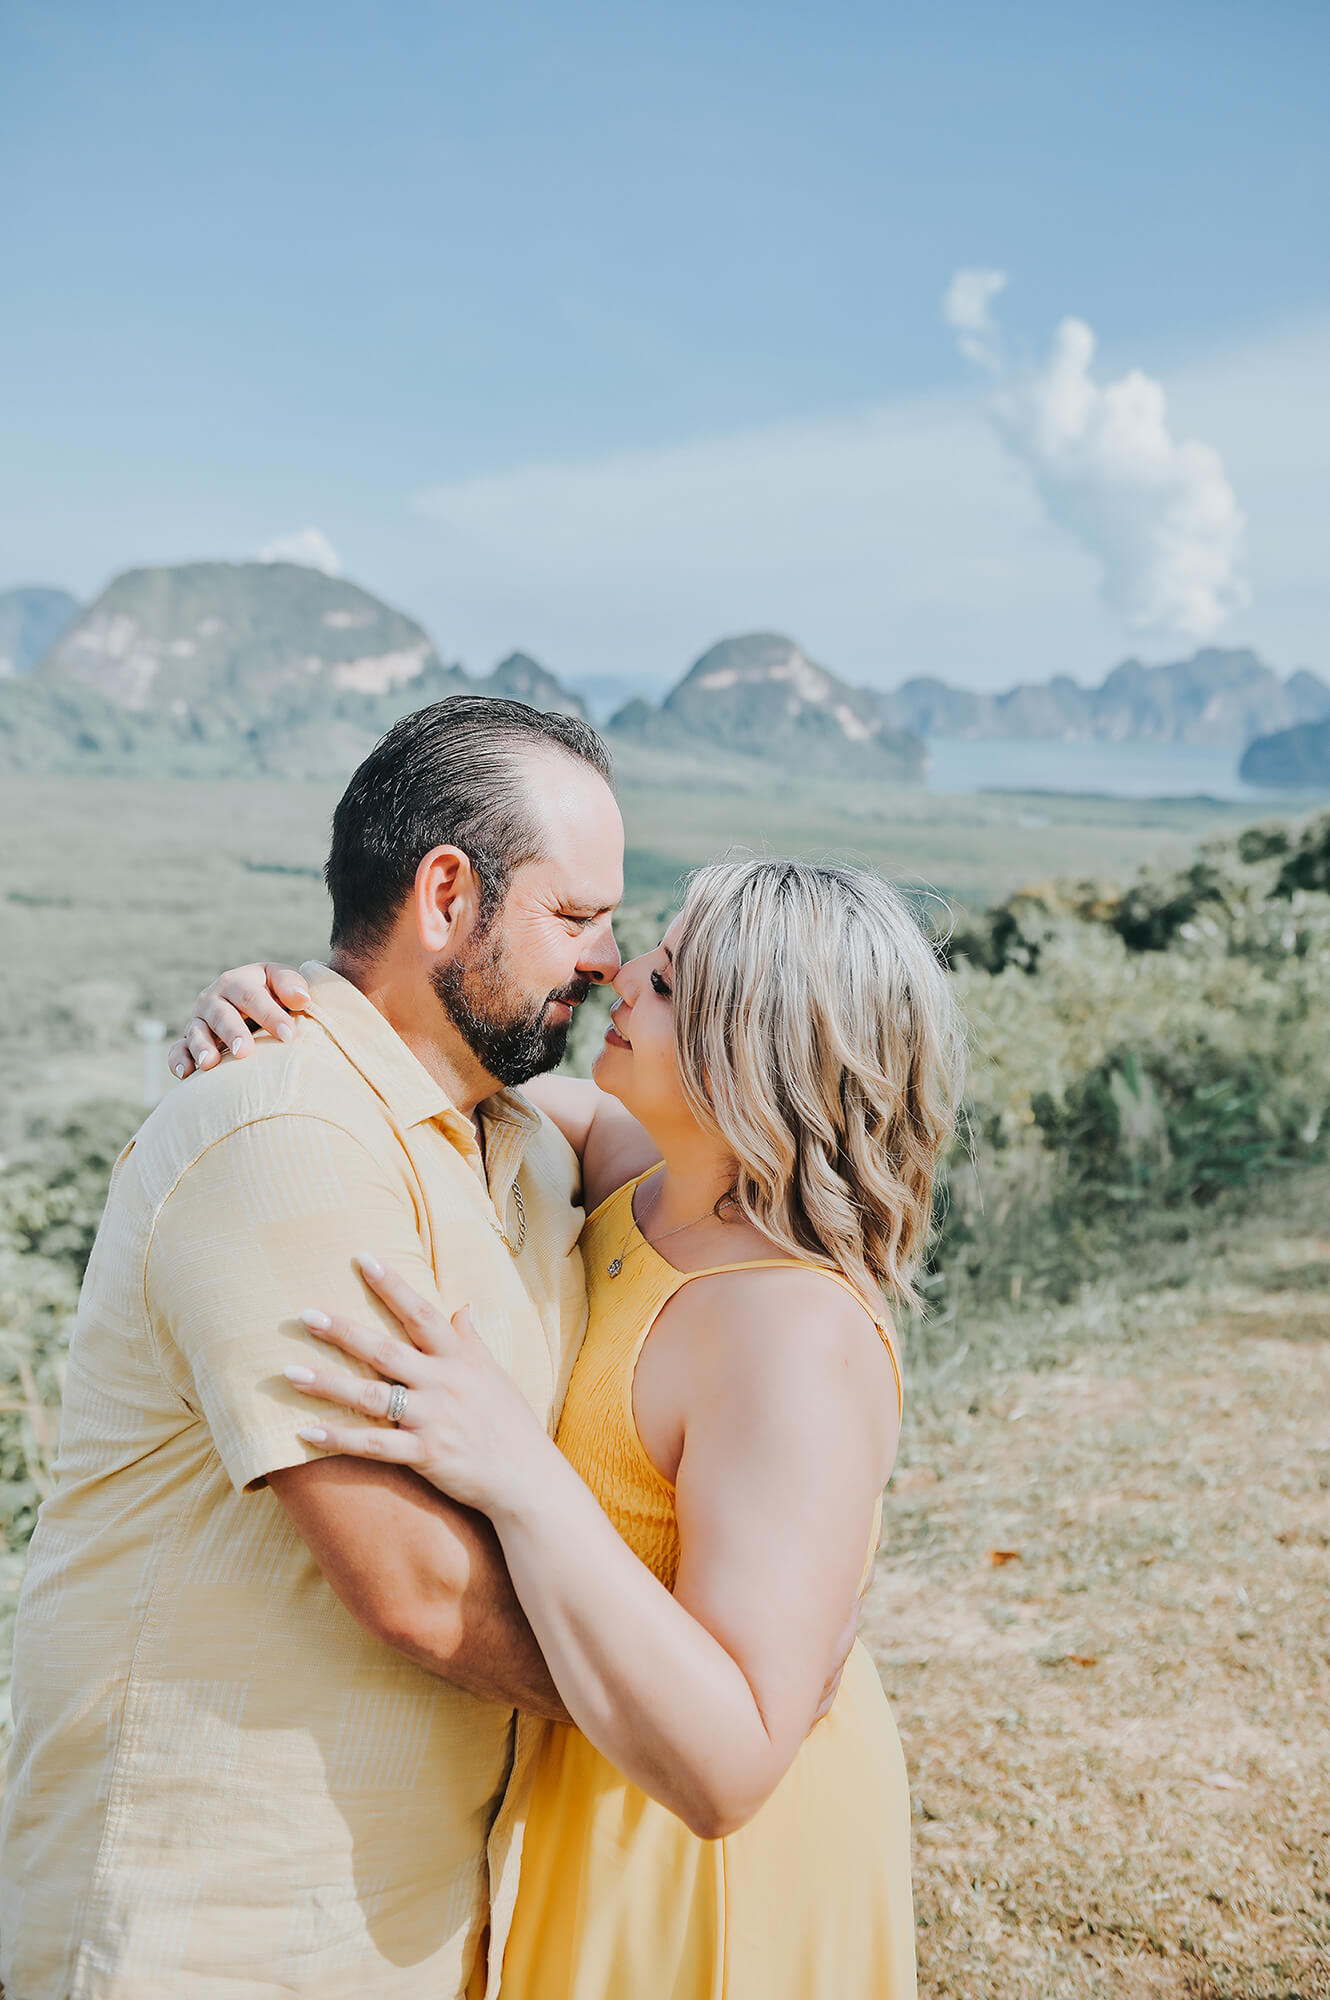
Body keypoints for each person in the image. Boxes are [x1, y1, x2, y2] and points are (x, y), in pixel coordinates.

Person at [180, 856, 963, 1999]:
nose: (622, 971)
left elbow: (730, 1766)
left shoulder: (790, 1332)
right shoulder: (637, 1173)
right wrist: (284, 1011)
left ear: (761, 1045)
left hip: (705, 1869)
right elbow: (413, 1083)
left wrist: (514, 1466)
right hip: (585, 1793)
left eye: (675, 971)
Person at [0, 696, 627, 2000]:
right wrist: (703, 1696)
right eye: (575, 918)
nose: (609, 960)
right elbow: (409, 1579)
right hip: (204, 1931)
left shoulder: (519, 1148)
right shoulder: (280, 1130)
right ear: (444, 893)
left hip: (416, 1925)